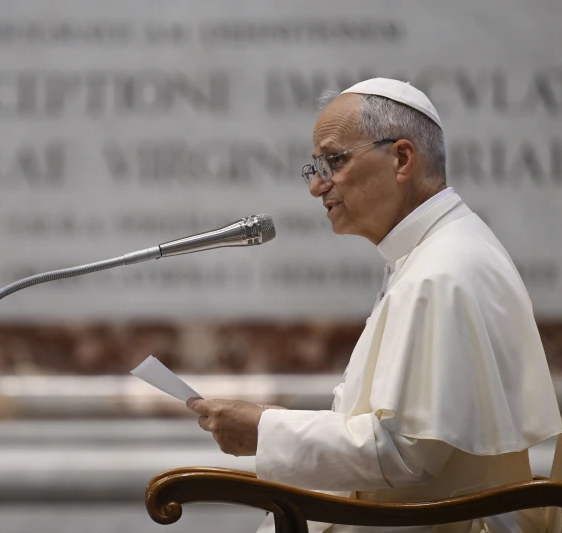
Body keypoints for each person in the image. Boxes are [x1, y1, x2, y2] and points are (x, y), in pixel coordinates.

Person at [186, 78, 562, 533]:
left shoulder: (441, 272)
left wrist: (264, 430)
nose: (317, 186)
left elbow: (405, 455)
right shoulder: (431, 253)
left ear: (402, 159)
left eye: (334, 160)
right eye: (316, 167)